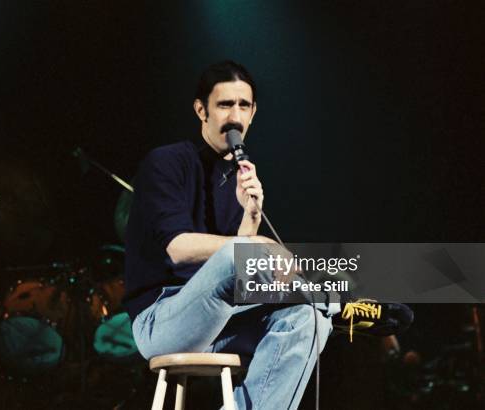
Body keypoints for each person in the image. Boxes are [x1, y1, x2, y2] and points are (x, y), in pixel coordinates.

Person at [123, 60, 408, 409]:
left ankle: (325, 308)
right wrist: (259, 244)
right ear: (202, 110)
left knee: (306, 321)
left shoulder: (237, 179)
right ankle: (336, 304)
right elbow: (180, 249)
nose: (235, 115)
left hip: (220, 322)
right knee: (239, 255)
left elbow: (242, 277)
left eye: (244, 105)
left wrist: (251, 214)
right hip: (162, 321)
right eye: (225, 104)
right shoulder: (166, 163)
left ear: (254, 112)